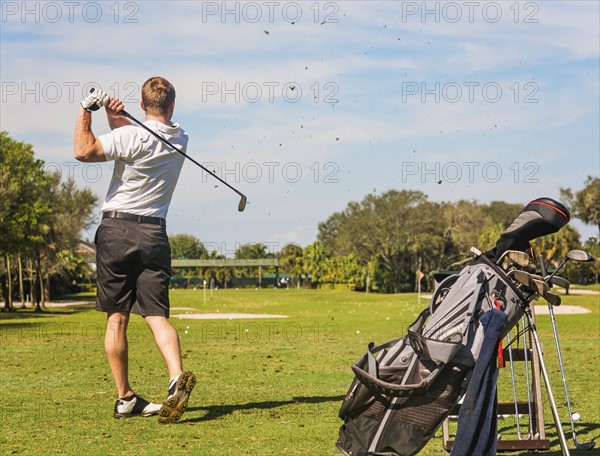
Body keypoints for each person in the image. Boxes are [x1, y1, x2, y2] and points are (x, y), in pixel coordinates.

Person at [74, 77, 195, 424]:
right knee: (157, 315)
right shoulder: (180, 138)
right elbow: (138, 144)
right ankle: (175, 378)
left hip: (117, 231)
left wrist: (87, 110)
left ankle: (125, 398)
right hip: (154, 234)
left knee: (117, 317)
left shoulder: (131, 135)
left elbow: (83, 151)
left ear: (141, 105)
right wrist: (117, 119)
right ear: (172, 106)